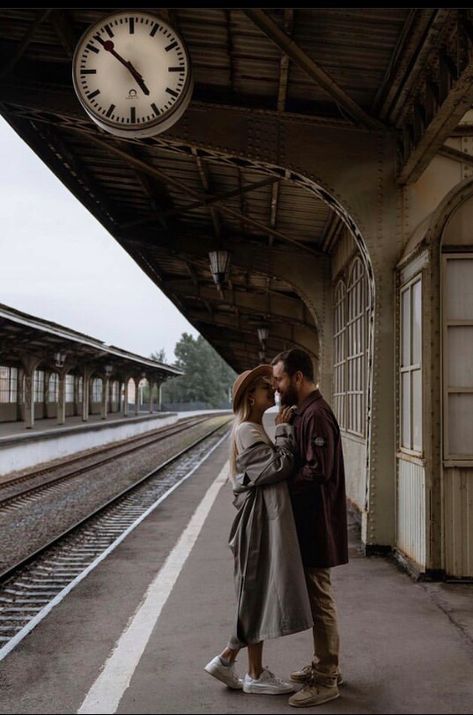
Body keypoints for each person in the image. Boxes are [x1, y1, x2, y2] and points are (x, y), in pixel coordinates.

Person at [204, 364, 314, 696]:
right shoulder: (248, 431)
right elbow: (277, 467)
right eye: (267, 387)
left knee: (257, 591)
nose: (274, 391)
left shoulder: (251, 428)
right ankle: (242, 668)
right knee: (254, 591)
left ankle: (238, 665)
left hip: (259, 519)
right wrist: (284, 433)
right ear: (251, 396)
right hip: (256, 522)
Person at [271, 348, 348, 708]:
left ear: (297, 377)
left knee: (319, 598)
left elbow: (318, 471)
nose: (276, 385)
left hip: (317, 521)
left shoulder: (316, 415)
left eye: (280, 378)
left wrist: (282, 483)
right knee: (318, 596)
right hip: (309, 520)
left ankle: (327, 678)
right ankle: (324, 665)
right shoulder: (304, 413)